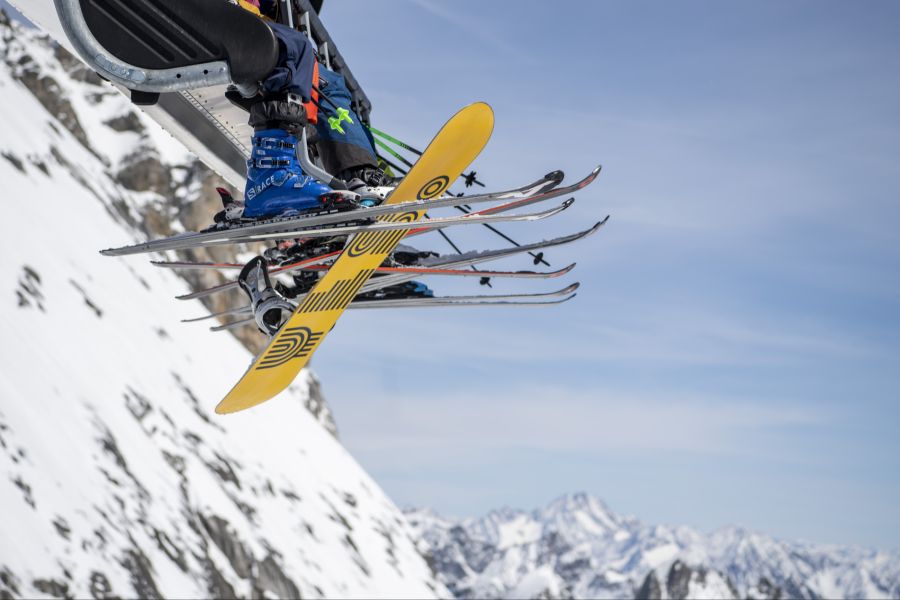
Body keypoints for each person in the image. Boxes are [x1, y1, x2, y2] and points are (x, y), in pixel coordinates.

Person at [223, 0, 388, 223]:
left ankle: (308, 188)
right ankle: (279, 180)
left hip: (240, 25)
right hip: (231, 23)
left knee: (321, 78)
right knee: (301, 57)